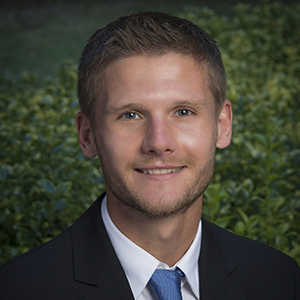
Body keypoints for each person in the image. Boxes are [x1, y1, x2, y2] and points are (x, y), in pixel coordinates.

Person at [0, 11, 299, 300]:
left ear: (222, 126)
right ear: (87, 135)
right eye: (130, 115)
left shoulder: (278, 279)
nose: (158, 142)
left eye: (183, 112)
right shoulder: (17, 290)